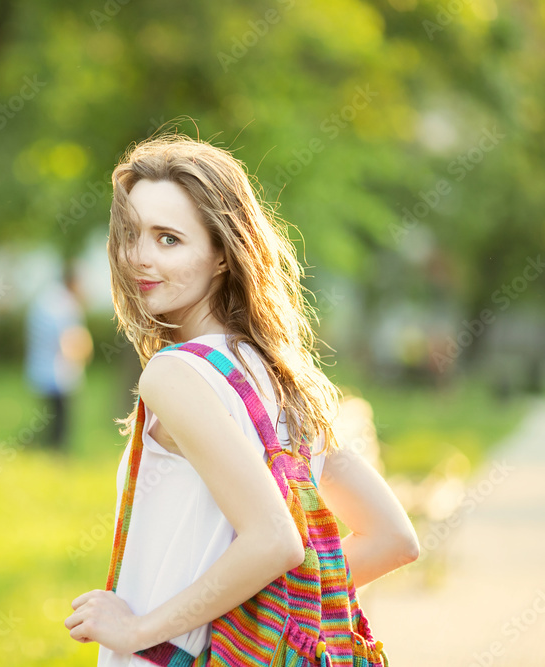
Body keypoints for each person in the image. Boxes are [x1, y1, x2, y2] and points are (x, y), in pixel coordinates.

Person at [63, 135, 419, 663]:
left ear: (222, 255)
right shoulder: (280, 375)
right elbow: (392, 538)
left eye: (168, 239)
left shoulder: (174, 374)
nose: (138, 257)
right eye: (131, 234)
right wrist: (256, 627)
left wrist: (139, 631)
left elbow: (276, 539)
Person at [24, 258, 94, 451]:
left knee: (49, 415)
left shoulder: (48, 299)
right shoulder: (65, 304)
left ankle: (43, 449)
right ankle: (55, 452)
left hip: (42, 366)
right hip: (58, 370)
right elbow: (69, 340)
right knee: (60, 417)